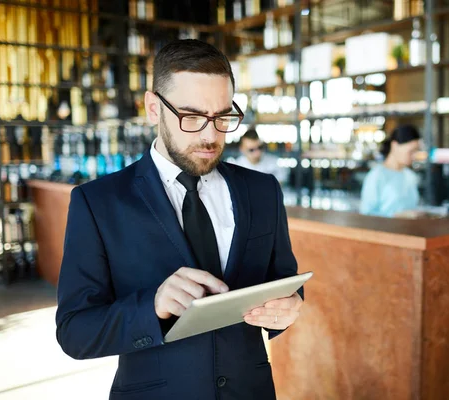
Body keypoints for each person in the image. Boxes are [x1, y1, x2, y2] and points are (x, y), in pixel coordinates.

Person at [55, 39, 304, 400]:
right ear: (153, 108)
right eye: (192, 116)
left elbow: (284, 281)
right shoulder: (98, 203)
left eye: (223, 117)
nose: (210, 134)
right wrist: (152, 306)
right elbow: (75, 331)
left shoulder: (263, 190)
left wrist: (291, 304)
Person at [360, 124, 421, 218]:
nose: (414, 156)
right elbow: (366, 214)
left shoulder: (410, 176)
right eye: (411, 151)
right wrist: (396, 216)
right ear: (395, 145)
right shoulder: (376, 176)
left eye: (416, 151)